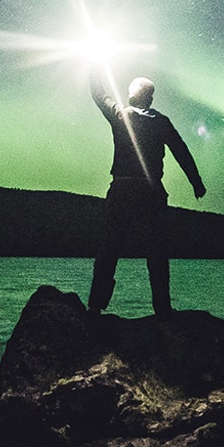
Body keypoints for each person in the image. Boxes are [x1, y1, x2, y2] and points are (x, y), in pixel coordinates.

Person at [88, 69, 205, 316]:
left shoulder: (121, 114)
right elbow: (181, 151)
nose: (128, 93)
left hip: (122, 188)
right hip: (151, 191)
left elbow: (98, 94)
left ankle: (95, 307)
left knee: (109, 247)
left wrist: (93, 68)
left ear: (137, 95)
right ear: (150, 98)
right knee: (157, 251)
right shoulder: (161, 122)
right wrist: (196, 182)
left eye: (131, 90)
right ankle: (162, 309)